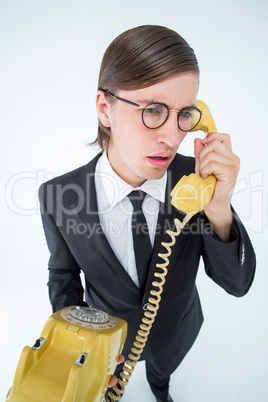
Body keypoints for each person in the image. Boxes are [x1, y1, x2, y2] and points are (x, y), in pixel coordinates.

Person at [39, 25, 256, 402]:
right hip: (111, 339)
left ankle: (161, 389)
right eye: (153, 110)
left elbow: (238, 285)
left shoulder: (197, 181)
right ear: (105, 109)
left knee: (161, 374)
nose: (173, 137)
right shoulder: (58, 196)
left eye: (184, 114)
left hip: (175, 332)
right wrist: (78, 345)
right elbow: (63, 273)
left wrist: (218, 206)